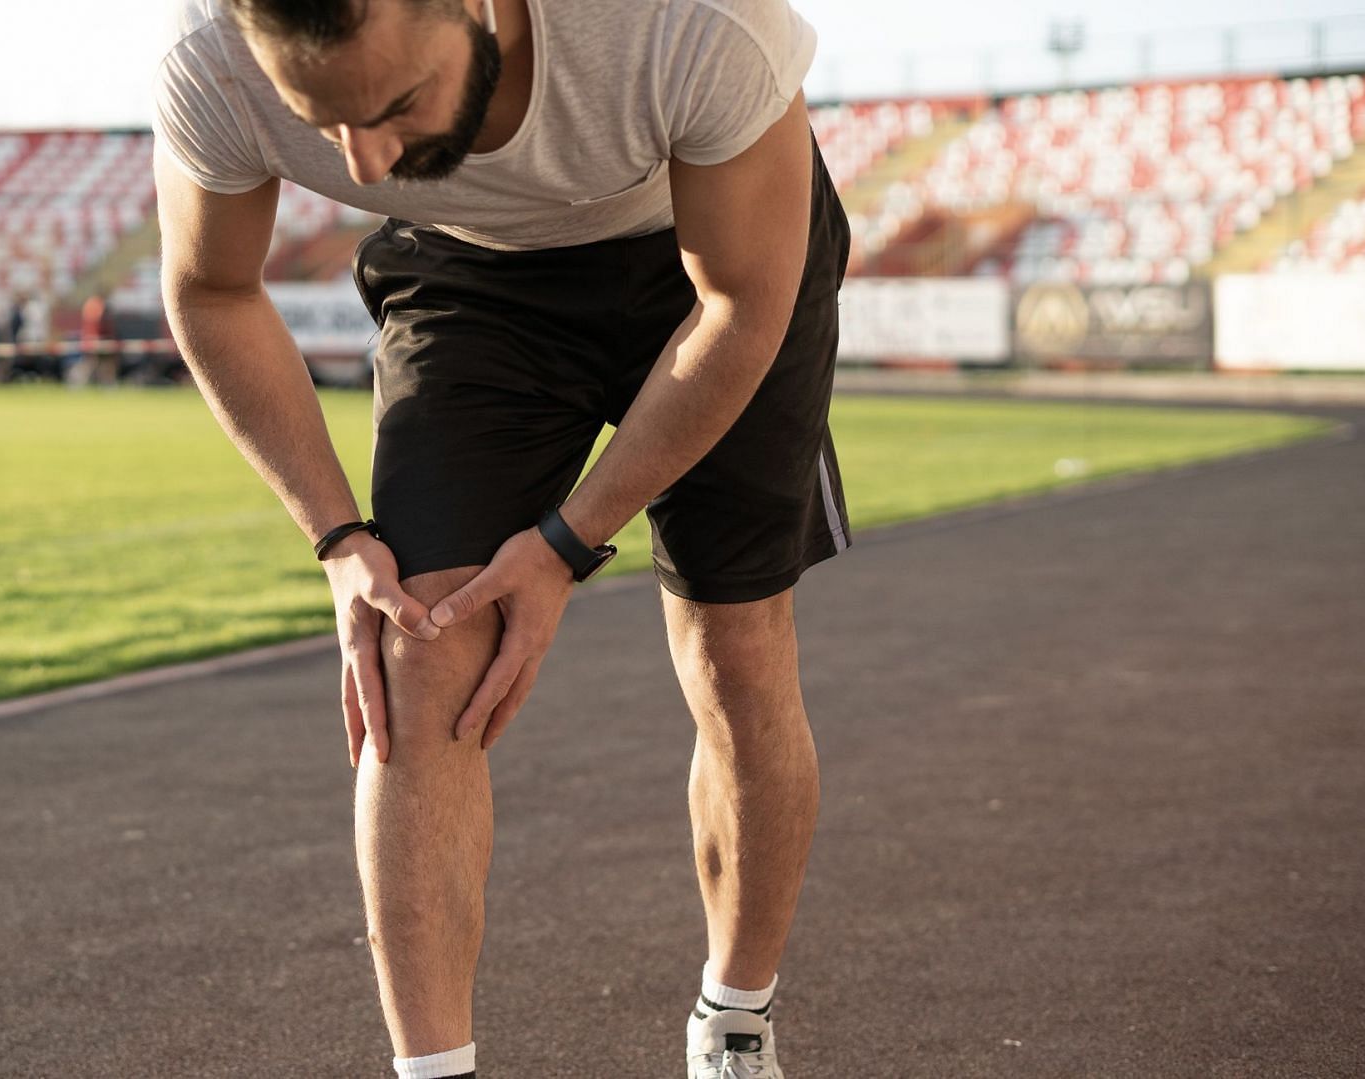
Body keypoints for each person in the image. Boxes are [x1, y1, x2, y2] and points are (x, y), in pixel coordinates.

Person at [152, 0, 851, 1075]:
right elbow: (209, 285)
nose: (369, 167)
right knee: (418, 647)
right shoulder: (210, 54)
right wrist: (339, 537)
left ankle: (735, 1014)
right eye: (322, 124)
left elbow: (738, 310)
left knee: (734, 656)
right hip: (476, 276)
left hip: (709, 261)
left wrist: (568, 542)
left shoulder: (693, 23)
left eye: (391, 107)